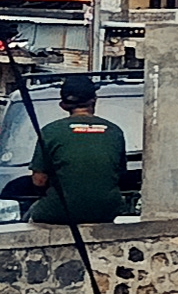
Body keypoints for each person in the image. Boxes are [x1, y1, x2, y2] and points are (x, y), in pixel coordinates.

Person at [27, 74, 129, 225]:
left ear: (63, 105)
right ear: (94, 100)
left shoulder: (50, 131)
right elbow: (120, 175)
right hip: (107, 211)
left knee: (31, 214)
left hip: (60, 210)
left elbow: (39, 180)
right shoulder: (114, 131)